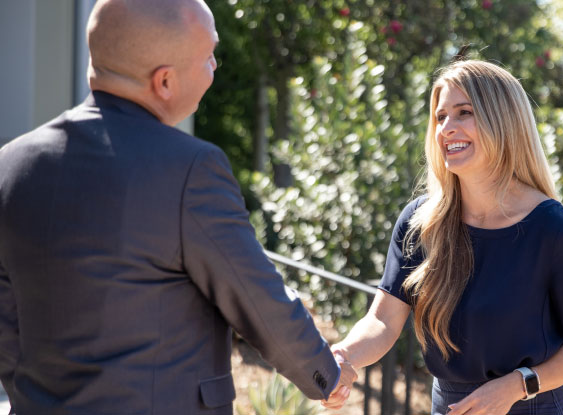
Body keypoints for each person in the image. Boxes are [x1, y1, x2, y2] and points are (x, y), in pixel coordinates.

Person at [0, 0, 355, 413]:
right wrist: (326, 372)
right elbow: (256, 296)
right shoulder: (189, 170)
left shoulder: (12, 164)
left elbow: (6, 323)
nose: (215, 68)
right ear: (164, 81)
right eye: (208, 58)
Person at [331, 59, 563, 415]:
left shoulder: (556, 230)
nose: (447, 127)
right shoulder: (420, 223)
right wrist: (343, 356)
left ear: (503, 120)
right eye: (441, 116)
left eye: (463, 112)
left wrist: (516, 385)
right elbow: (383, 321)